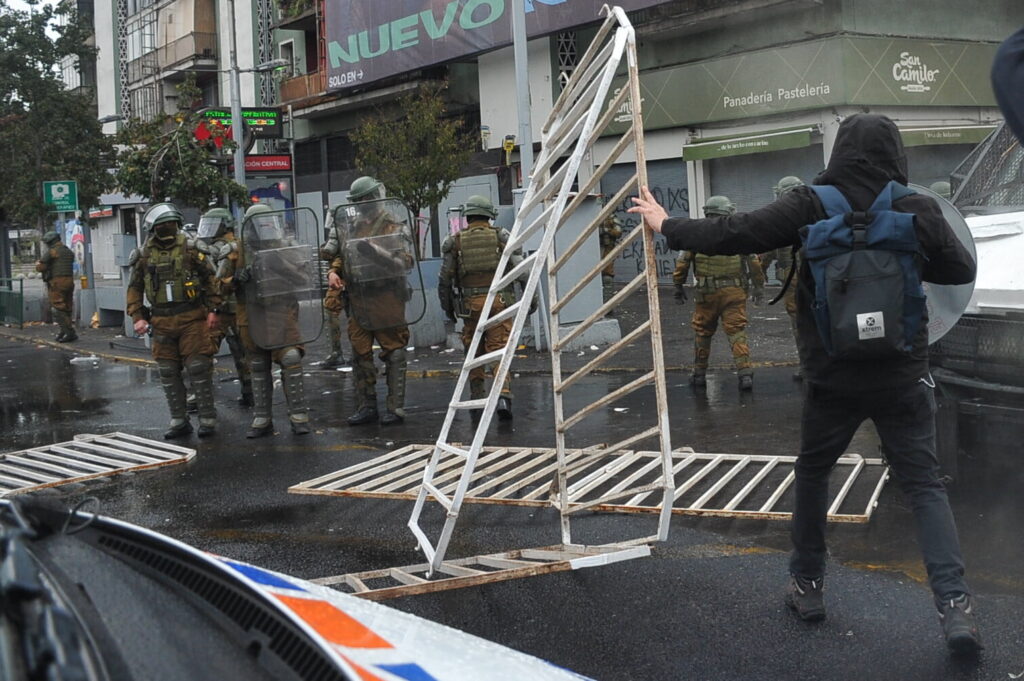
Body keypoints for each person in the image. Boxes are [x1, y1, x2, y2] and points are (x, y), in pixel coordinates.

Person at [629, 113, 980, 653]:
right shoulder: (916, 206)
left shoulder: (810, 203)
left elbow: (736, 233)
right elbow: (958, 271)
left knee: (815, 473)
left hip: (830, 376)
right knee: (925, 486)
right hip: (901, 375)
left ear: (840, 151)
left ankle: (809, 586)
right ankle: (955, 609)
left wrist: (666, 223)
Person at [126, 203, 222, 439]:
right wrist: (138, 317)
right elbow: (135, 288)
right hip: (161, 320)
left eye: (169, 224)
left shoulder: (191, 248)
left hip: (192, 318)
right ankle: (179, 420)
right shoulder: (144, 255)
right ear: (153, 228)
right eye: (161, 225)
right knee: (168, 371)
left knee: (198, 368)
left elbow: (211, 279)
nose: (166, 229)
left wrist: (213, 309)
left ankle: (207, 419)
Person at [327, 176, 414, 426]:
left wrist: (377, 251)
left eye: (364, 199)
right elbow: (344, 255)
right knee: (360, 354)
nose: (362, 204)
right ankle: (367, 406)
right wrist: (333, 272)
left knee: (394, 351)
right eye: (358, 201)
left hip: (386, 298)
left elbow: (405, 262)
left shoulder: (393, 225)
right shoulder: (352, 226)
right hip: (358, 299)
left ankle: (395, 407)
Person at [438, 194, 531, 420]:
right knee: (498, 349)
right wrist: (532, 300)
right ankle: (503, 397)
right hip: (499, 304)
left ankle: (477, 399)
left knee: (474, 352)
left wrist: (448, 309)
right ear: (489, 215)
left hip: (470, 307)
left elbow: (445, 281)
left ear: (468, 215)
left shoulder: (456, 242)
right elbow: (522, 271)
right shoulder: (501, 236)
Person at [228, 203, 311, 437]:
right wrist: (235, 279)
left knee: (291, 358)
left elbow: (304, 278)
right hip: (252, 315)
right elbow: (217, 284)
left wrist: (280, 264)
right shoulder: (237, 252)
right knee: (257, 365)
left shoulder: (286, 247)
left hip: (281, 313)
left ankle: (299, 416)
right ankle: (262, 418)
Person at [672, 195, 764, 391]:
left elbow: (682, 263)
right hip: (734, 293)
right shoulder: (738, 233)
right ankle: (745, 374)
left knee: (703, 332)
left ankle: (699, 374)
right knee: (736, 332)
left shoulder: (695, 234)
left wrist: (678, 286)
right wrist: (759, 287)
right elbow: (754, 263)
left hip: (707, 294)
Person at [196, 207, 253, 406]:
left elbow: (219, 281)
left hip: (228, 307)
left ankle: (250, 390)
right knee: (207, 351)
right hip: (223, 308)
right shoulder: (212, 248)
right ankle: (248, 390)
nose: (208, 230)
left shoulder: (234, 248)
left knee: (240, 352)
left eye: (213, 225)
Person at [758, 176, 805, 378]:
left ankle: (806, 365)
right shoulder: (816, 214)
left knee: (798, 324)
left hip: (791, 281)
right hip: (816, 280)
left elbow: (767, 251)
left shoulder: (780, 219)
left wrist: (759, 278)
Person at [318, 208, 348, 369]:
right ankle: (358, 353)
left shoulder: (337, 232)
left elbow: (329, 253)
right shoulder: (355, 229)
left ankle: (337, 353)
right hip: (348, 278)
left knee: (331, 311)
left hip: (339, 278)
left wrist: (322, 250)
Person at [36, 230, 77, 343]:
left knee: (58, 308)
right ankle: (64, 330)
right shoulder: (67, 251)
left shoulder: (52, 251)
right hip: (69, 281)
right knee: (67, 307)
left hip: (57, 282)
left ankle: (69, 332)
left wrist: (38, 265)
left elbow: (41, 267)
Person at [598, 207, 623, 302]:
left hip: (606, 249)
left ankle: (608, 304)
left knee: (607, 277)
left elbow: (618, 231)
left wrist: (606, 231)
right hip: (592, 250)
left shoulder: (610, 217)